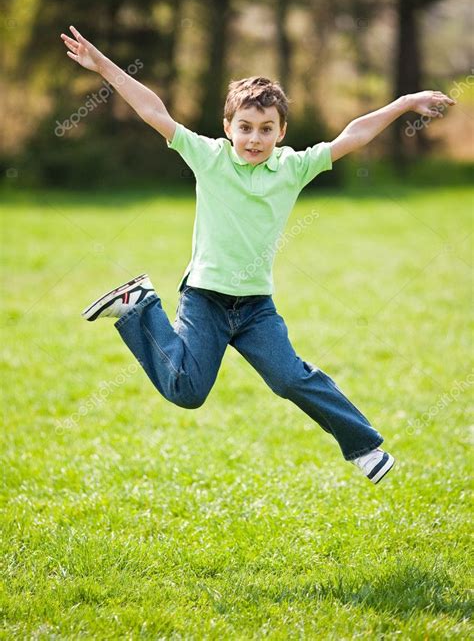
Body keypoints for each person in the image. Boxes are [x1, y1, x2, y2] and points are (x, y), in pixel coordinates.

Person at [61, 25, 455, 484]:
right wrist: (103, 66)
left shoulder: (293, 167)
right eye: (244, 128)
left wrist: (406, 103)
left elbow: (354, 135)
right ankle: (139, 306)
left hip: (254, 308)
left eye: (266, 129)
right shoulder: (208, 157)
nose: (254, 138)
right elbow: (153, 109)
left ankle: (363, 446)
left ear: (281, 132)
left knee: (290, 378)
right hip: (205, 299)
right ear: (227, 128)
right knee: (186, 391)